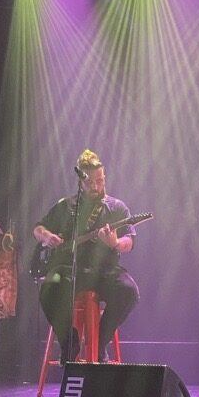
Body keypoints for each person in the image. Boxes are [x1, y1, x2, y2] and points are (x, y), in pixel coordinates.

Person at [33, 149, 139, 363]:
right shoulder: (66, 206)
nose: (96, 186)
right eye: (90, 182)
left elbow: (130, 240)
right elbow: (38, 228)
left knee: (129, 292)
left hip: (105, 271)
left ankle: (99, 342)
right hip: (69, 270)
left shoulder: (116, 207)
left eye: (100, 181)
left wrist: (115, 243)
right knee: (49, 288)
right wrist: (47, 236)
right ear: (80, 181)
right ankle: (68, 341)